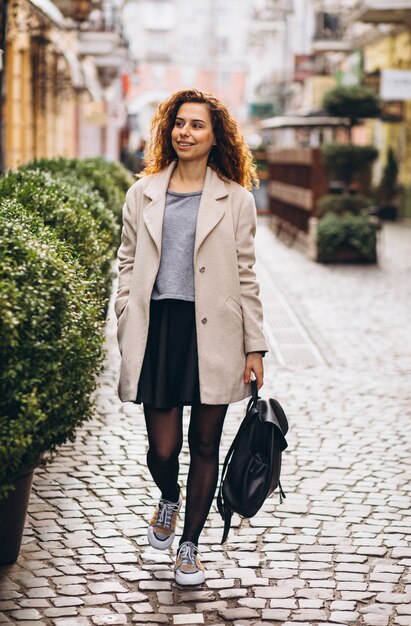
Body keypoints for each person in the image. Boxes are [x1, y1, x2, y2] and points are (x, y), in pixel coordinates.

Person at [114, 88, 268, 586]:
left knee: (205, 445)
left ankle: (190, 547)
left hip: (215, 333)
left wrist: (255, 345)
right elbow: (127, 263)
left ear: (215, 135)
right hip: (159, 329)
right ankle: (169, 497)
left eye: (197, 125)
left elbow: (246, 275)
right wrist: (124, 312)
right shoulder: (143, 193)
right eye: (179, 123)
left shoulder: (237, 199)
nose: (186, 131)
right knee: (162, 448)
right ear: (168, 129)